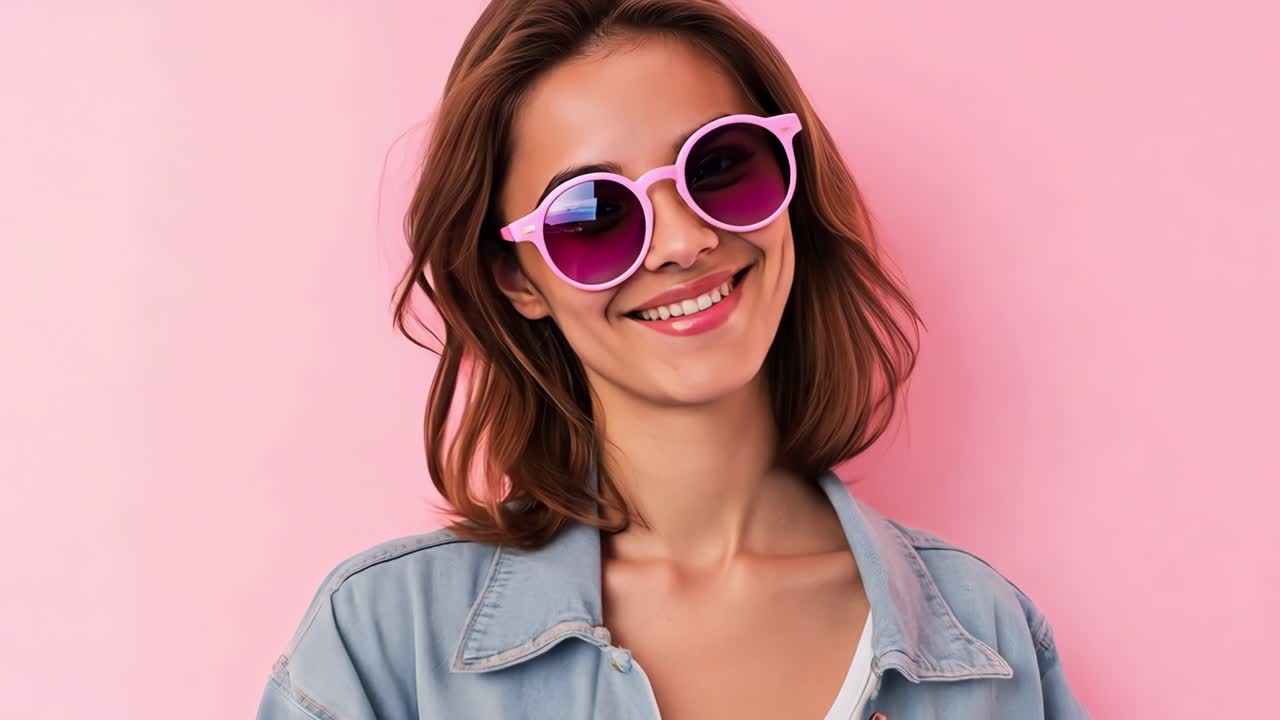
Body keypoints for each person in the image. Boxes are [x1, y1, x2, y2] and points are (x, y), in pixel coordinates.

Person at [256, 1, 1089, 718]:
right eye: (592, 215)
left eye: (721, 167)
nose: (685, 242)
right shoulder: (381, 648)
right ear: (517, 278)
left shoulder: (989, 647)